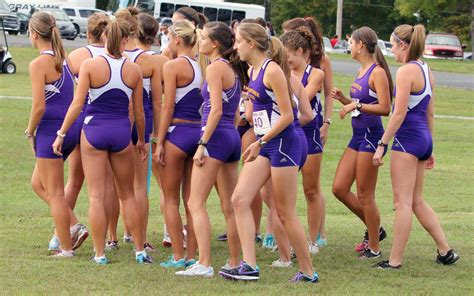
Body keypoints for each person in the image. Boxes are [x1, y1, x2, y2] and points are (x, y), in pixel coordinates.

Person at [219, 23, 318, 283]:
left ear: (252, 43)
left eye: (239, 41)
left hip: (285, 144)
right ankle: (249, 266)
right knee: (239, 199)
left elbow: (289, 116)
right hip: (267, 144)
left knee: (284, 211)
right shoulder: (253, 70)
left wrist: (259, 142)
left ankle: (308, 272)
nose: (235, 46)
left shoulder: (273, 70)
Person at [52, 17, 152, 265]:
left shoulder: (90, 65)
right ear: (126, 39)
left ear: (105, 37)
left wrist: (62, 133)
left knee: (96, 195)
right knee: (127, 194)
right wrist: (141, 139)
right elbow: (138, 111)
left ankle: (100, 253)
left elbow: (77, 104)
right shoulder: (133, 69)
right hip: (121, 132)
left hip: (94, 131)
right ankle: (139, 250)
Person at [373, 24, 460, 269]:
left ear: (403, 45)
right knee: (417, 201)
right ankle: (446, 251)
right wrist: (429, 147)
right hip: (422, 139)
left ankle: (394, 261)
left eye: (392, 46)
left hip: (407, 140)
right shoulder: (427, 70)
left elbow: (398, 113)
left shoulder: (405, 71)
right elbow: (430, 114)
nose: (391, 51)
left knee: (402, 203)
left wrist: (382, 144)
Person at [175, 21, 248, 277]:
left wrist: (203, 143)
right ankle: (234, 260)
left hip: (215, 138)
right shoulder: (233, 68)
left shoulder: (217, 68)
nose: (200, 40)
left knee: (196, 202)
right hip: (231, 137)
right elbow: (235, 111)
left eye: (203, 37)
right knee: (229, 205)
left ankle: (204, 263)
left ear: (215, 43)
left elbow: (215, 109)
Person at [330, 27, 392, 259]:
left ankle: (374, 247)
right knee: (339, 188)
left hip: (371, 136)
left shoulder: (378, 72)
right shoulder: (360, 70)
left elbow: (385, 108)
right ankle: (376, 228)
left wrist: (355, 105)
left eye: (351, 42)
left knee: (365, 195)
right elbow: (362, 101)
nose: (349, 45)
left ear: (362, 45)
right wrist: (344, 100)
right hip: (357, 136)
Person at [154, 20, 206, 269]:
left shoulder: (173, 66)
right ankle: (192, 253)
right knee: (191, 200)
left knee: (171, 198)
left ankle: (177, 255)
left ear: (176, 40)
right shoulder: (201, 66)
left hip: (177, 132)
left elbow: (168, 105)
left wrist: (160, 140)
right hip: (196, 132)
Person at [26, 11, 78, 258]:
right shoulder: (63, 58)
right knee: (38, 183)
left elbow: (39, 106)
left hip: (52, 130)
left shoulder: (39, 63)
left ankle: (66, 247)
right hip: (69, 128)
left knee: (55, 193)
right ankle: (75, 224)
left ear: (34, 34)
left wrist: (29, 131)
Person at [282, 16, 333, 246]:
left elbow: (306, 98)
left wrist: (327, 122)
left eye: (288, 54)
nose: (286, 59)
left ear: (299, 49)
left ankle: (314, 239)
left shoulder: (317, 71)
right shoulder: (283, 70)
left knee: (311, 189)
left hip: (309, 130)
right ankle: (283, 239)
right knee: (280, 192)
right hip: (288, 130)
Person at [66, 12, 111, 251]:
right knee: (101, 187)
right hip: (105, 121)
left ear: (87, 33)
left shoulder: (77, 55)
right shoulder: (114, 56)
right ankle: (104, 241)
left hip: (79, 117)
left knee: (74, 181)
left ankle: (62, 232)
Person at [136, 12, 171, 249]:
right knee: (147, 185)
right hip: (148, 124)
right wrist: (159, 135)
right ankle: (146, 236)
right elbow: (161, 101)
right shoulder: (157, 61)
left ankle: (116, 236)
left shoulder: (123, 57)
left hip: (122, 122)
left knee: (115, 185)